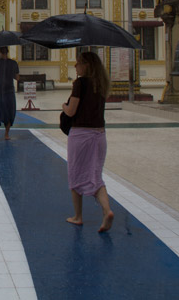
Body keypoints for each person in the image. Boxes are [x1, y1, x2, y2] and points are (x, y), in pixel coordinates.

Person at [61, 51, 114, 232]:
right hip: (99, 135)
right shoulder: (102, 83)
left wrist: (64, 106)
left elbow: (71, 111)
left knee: (75, 175)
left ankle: (78, 216)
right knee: (95, 176)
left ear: (86, 65)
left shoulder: (80, 83)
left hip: (81, 135)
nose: (76, 67)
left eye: (78, 63)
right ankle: (106, 211)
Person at [0, 46, 19, 140]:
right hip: (9, 90)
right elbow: (17, 78)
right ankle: (6, 134)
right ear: (7, 52)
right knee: (9, 111)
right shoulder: (14, 63)